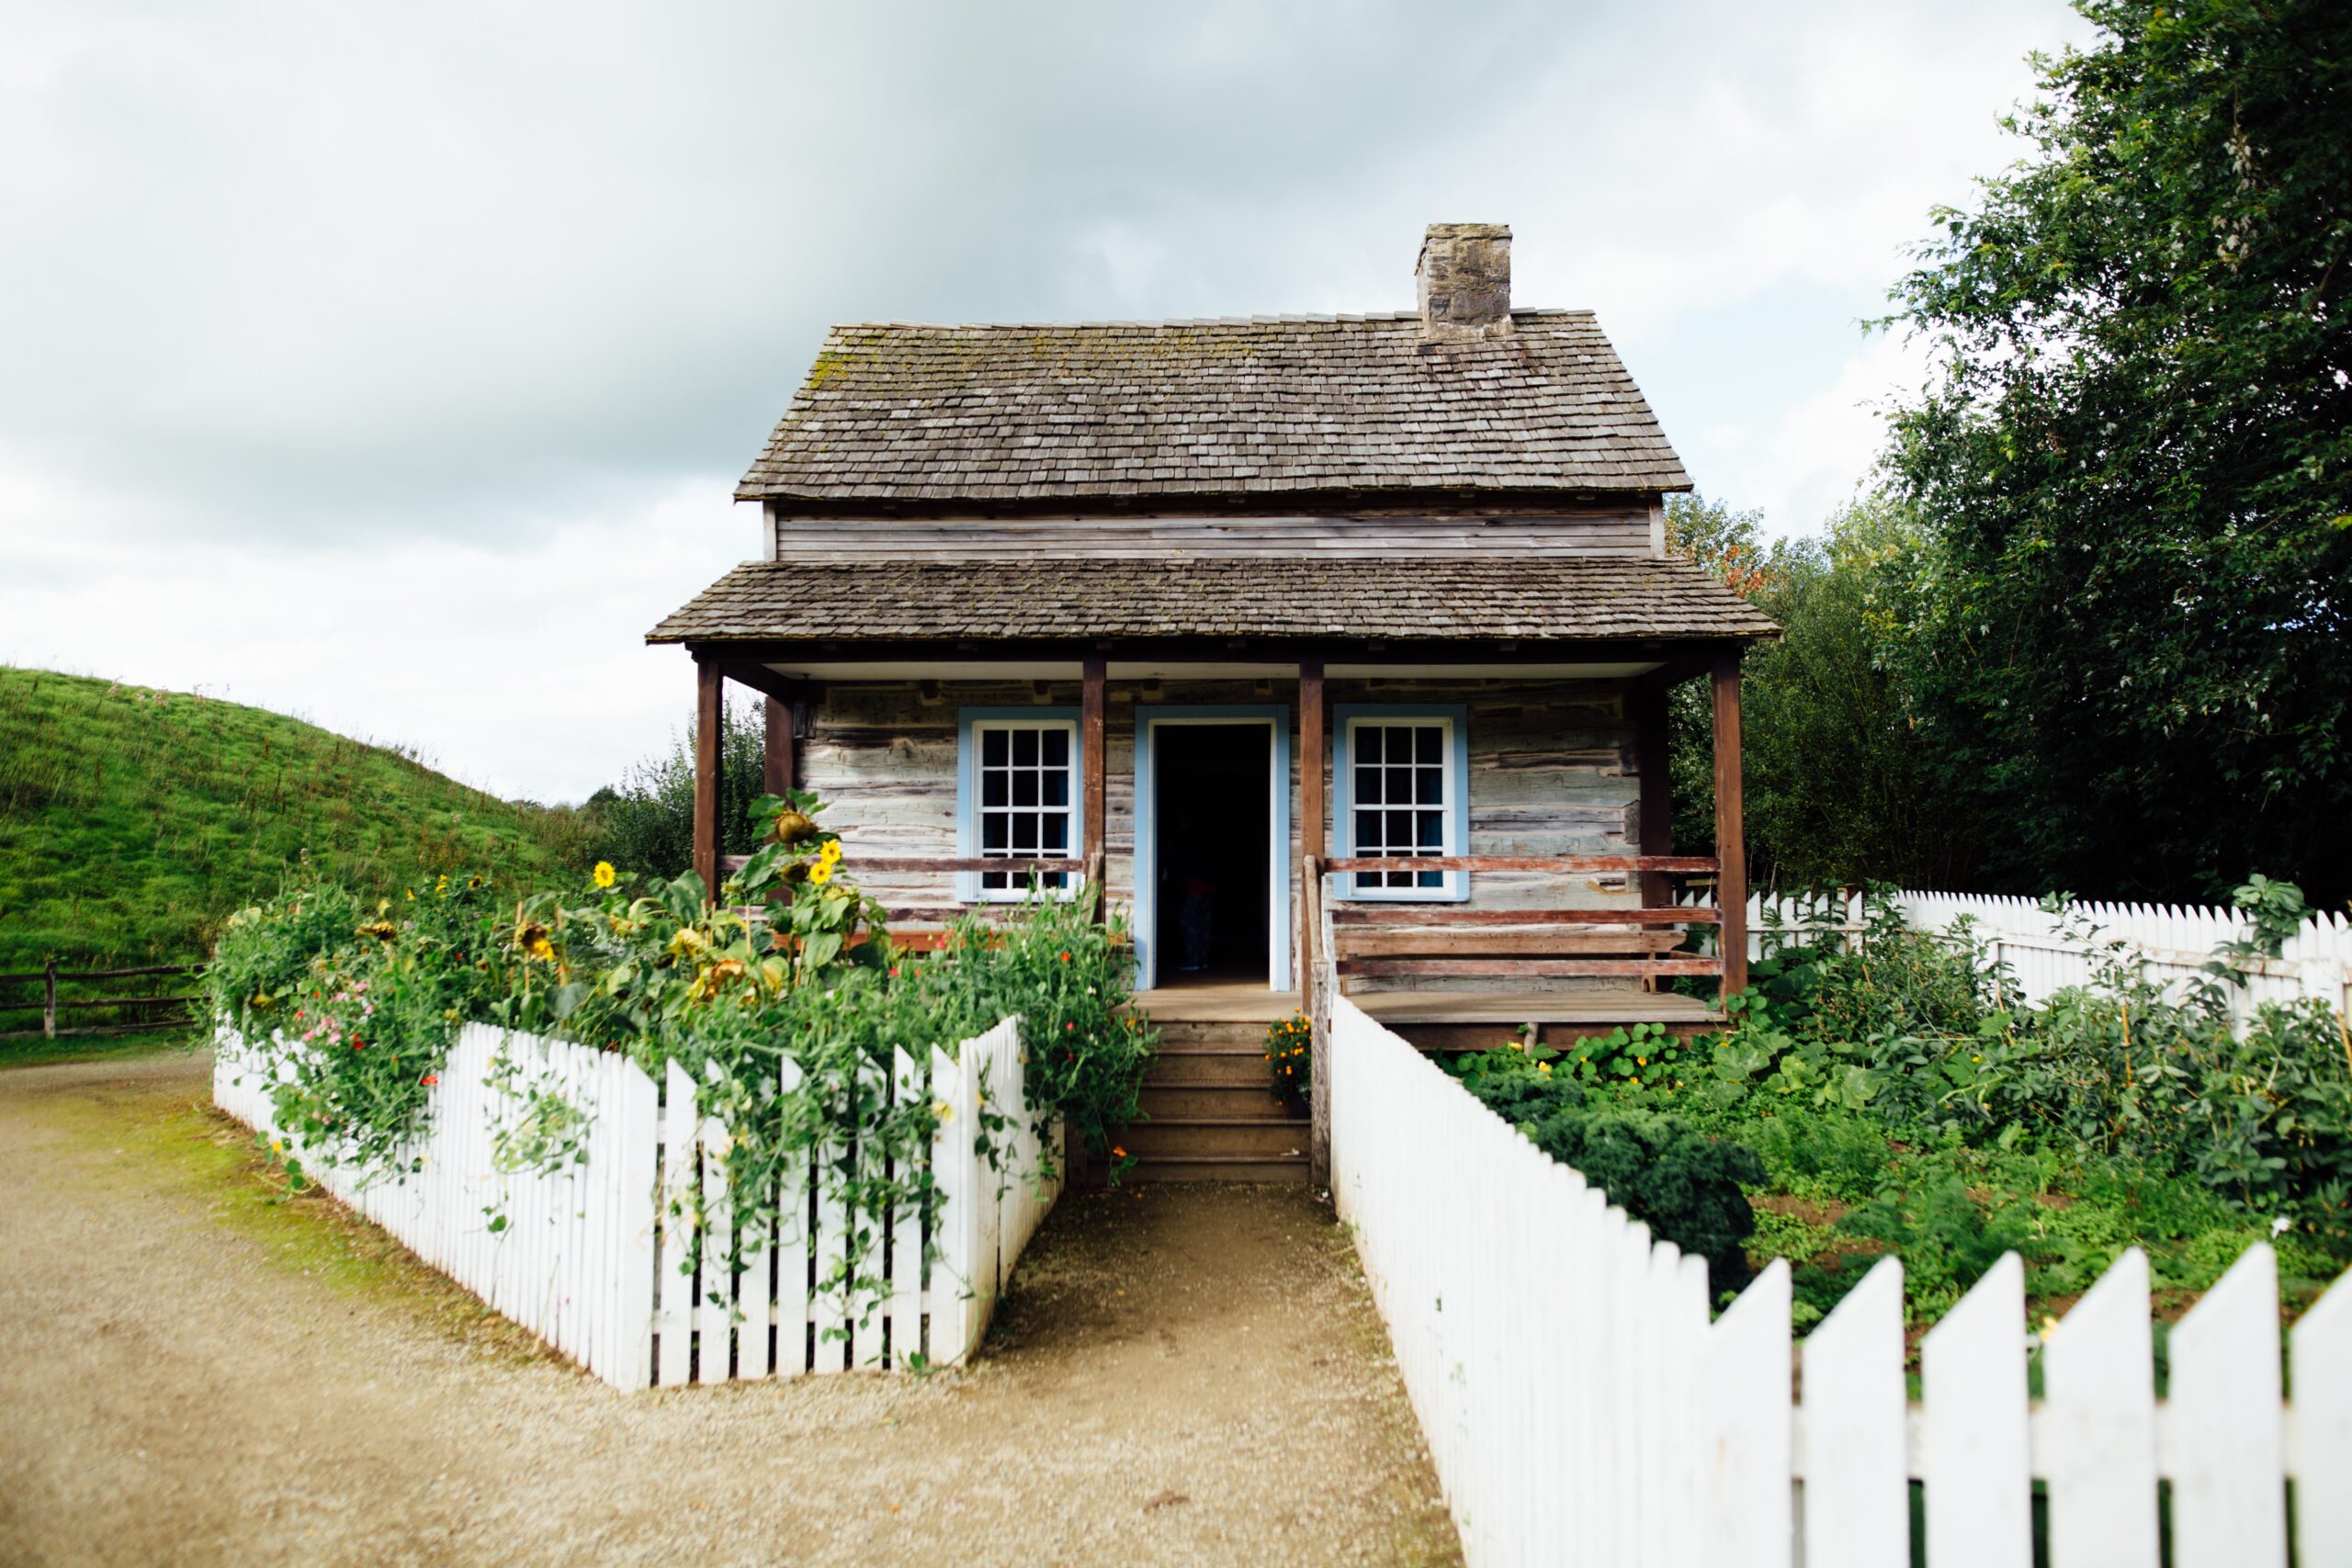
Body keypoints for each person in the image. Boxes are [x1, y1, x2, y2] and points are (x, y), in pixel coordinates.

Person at [1177, 874, 1216, 971]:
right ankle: (1202, 960)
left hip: (1193, 886)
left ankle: (1194, 960)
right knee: (1204, 925)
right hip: (1208, 884)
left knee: (1191, 924)